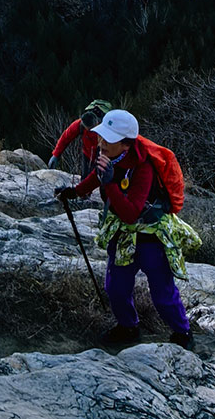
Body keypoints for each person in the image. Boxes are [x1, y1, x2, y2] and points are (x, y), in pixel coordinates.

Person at [59, 107, 197, 350]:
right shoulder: (113, 157)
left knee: (162, 294)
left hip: (150, 236)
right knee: (116, 287)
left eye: (107, 139)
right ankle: (128, 327)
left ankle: (182, 333)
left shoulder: (144, 168)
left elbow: (131, 214)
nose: (100, 142)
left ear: (125, 145)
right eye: (101, 136)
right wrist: (76, 191)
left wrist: (111, 183)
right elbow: (97, 176)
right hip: (124, 235)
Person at [49, 98, 111, 181]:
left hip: (104, 154)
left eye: (91, 129)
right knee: (85, 179)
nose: (89, 131)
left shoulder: (107, 127)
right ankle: (85, 193)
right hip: (87, 154)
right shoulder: (79, 125)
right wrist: (56, 155)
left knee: (103, 181)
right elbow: (66, 137)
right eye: (87, 129)